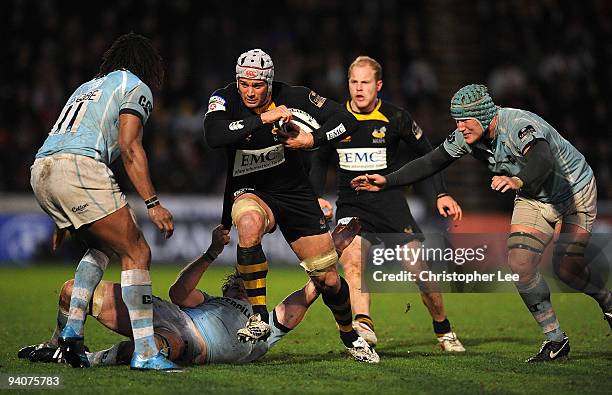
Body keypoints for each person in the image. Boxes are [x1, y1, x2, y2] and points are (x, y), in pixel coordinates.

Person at [352, 84, 612, 362]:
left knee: (566, 267)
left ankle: (607, 302)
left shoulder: (518, 125)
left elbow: (542, 158)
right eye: (456, 121)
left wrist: (517, 180)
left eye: (465, 120)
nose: (460, 127)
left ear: (484, 115)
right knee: (520, 265)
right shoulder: (466, 137)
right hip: (533, 196)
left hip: (574, 190)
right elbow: (432, 161)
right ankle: (555, 340)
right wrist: (388, 181)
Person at [203, 49, 378, 363]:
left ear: (269, 83)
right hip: (253, 191)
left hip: (296, 194)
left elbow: (346, 120)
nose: (249, 91)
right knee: (249, 224)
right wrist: (262, 119)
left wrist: (312, 140)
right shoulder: (224, 99)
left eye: (257, 86)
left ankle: (349, 335)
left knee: (328, 279)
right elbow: (213, 135)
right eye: (244, 84)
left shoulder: (296, 96)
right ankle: (258, 317)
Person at [29, 33, 179, 371]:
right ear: (147, 65)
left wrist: (60, 213)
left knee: (101, 247)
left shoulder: (86, 87)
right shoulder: (136, 86)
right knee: (137, 251)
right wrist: (153, 203)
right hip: (79, 168)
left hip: (42, 169)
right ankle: (145, 352)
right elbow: (129, 146)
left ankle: (70, 333)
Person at [19, 222, 362, 367]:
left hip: (191, 340)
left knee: (171, 344)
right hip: (175, 314)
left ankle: (93, 359)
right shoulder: (210, 301)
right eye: (236, 281)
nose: (241, 283)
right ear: (228, 288)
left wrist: (331, 249)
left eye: (246, 282)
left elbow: (309, 290)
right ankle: (59, 345)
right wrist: (212, 252)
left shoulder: (264, 324)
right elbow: (178, 291)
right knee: (71, 291)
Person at [310, 56, 465, 351]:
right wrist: (318, 195)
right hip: (352, 205)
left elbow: (429, 155)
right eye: (353, 82)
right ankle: (364, 325)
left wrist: (441, 193)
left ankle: (443, 329)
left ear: (378, 85)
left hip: (391, 204)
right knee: (352, 263)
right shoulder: (337, 120)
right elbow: (319, 160)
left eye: (365, 82)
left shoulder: (396, 118)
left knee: (419, 269)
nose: (358, 88)